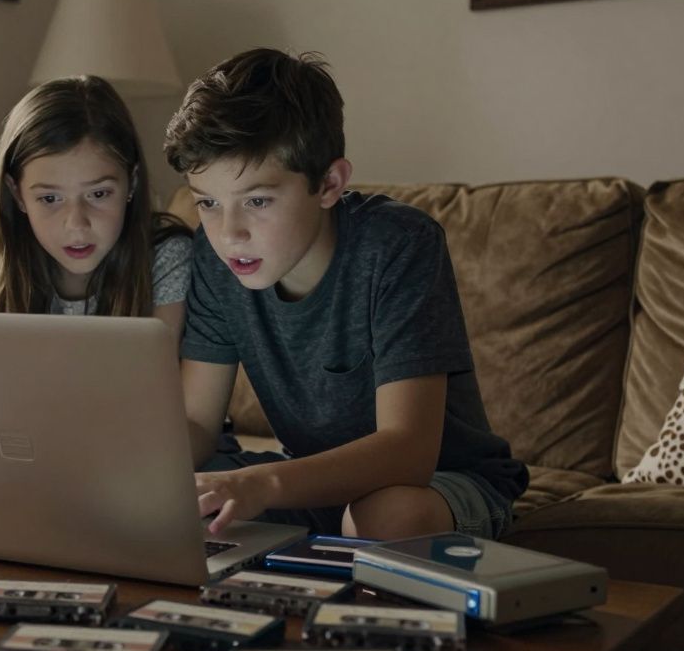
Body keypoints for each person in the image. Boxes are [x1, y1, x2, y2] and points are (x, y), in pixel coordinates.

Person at [164, 48, 528, 541]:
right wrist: (130, 474)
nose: (230, 233)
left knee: (386, 517)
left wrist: (261, 483)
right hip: (313, 479)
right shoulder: (213, 258)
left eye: (257, 200)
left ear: (329, 184)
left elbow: (408, 452)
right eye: (207, 202)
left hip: (438, 484)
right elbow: (197, 424)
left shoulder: (398, 245)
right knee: (171, 509)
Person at [0, 76, 191, 330]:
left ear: (132, 182)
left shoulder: (166, 256)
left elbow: (160, 367)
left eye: (99, 194)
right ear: (17, 194)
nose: (77, 224)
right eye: (49, 198)